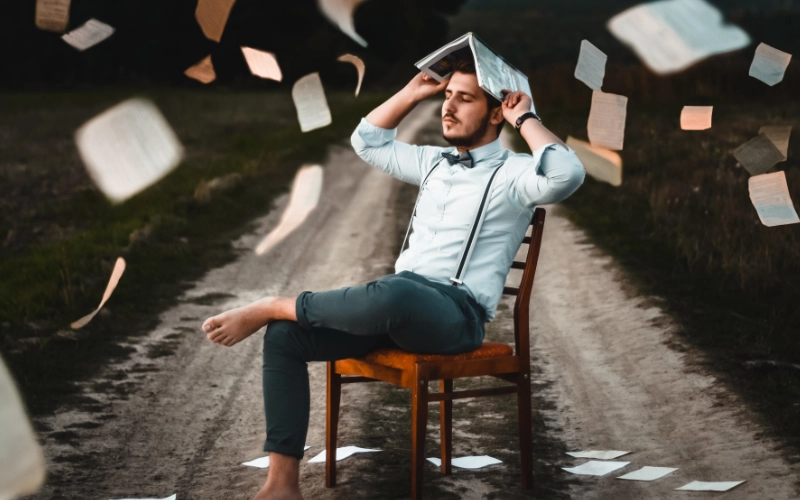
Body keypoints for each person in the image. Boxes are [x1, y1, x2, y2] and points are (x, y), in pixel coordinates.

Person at [201, 56, 585, 500]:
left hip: (454, 317)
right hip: (397, 310)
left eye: (465, 99)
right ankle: (282, 486)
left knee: (395, 291)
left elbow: (567, 174)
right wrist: (412, 93)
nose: (449, 107)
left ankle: (274, 304)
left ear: (498, 111)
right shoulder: (433, 162)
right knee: (286, 338)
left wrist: (527, 117)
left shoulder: (517, 173)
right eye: (447, 96)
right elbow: (367, 142)